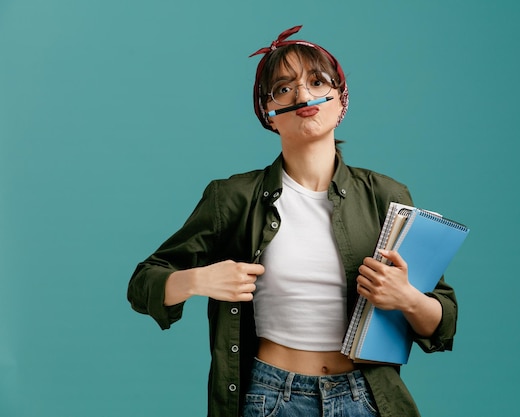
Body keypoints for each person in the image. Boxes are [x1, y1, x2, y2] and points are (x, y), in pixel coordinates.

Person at [127, 25, 458, 417]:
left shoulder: (387, 196)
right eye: (284, 88)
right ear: (269, 114)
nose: (303, 95)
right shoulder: (232, 198)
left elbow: (442, 321)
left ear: (341, 100)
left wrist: (407, 298)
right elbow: (143, 284)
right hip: (271, 397)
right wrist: (198, 280)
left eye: (317, 81)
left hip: (366, 398)